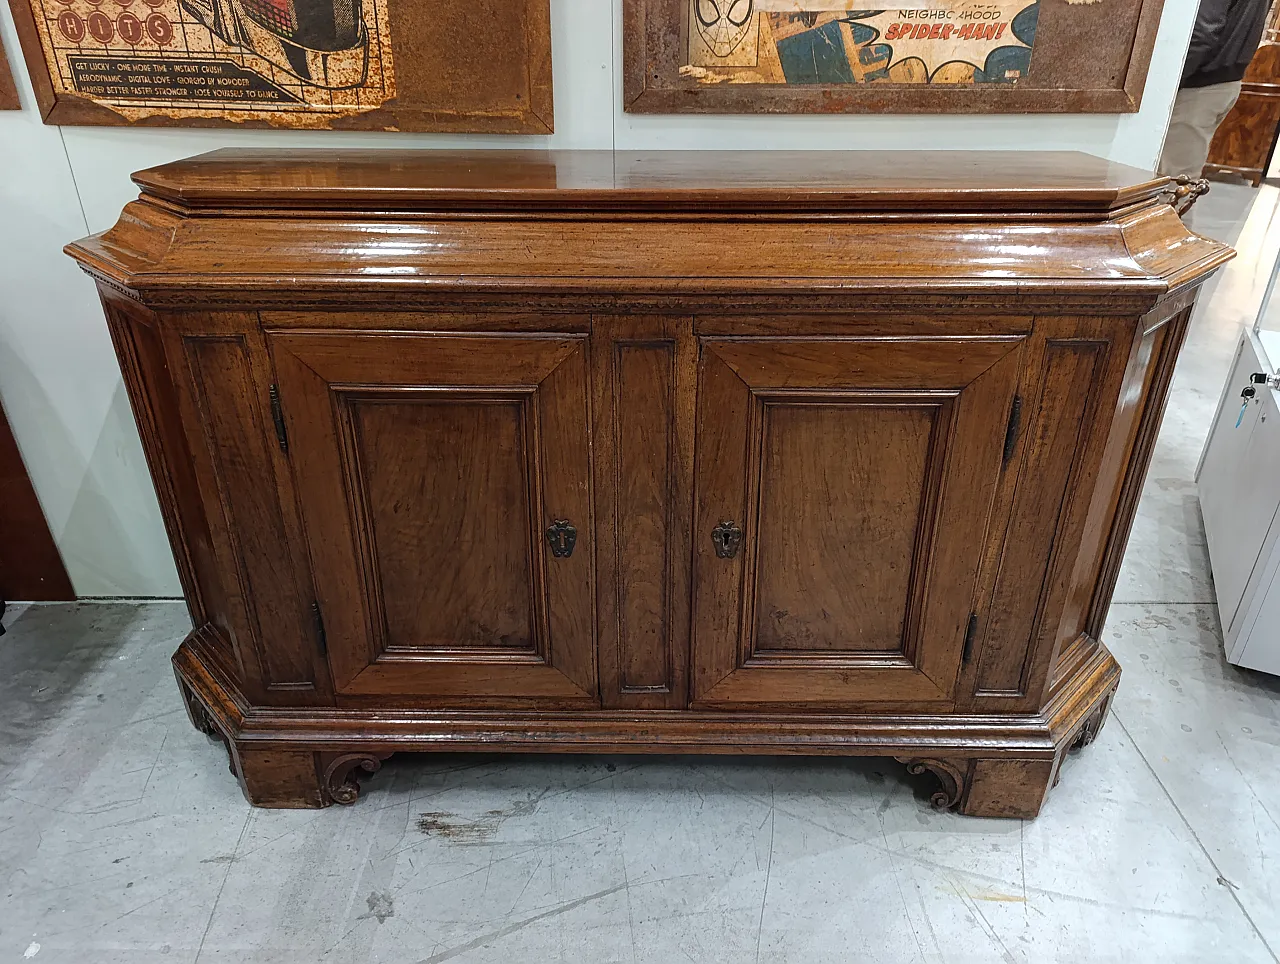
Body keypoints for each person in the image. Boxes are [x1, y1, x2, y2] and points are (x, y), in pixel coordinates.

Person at [1158, 0, 1273, 178]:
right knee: (1179, 174)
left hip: (1198, 85)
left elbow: (1201, 32)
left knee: (1173, 179)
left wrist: (1167, 83)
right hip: (1224, 80)